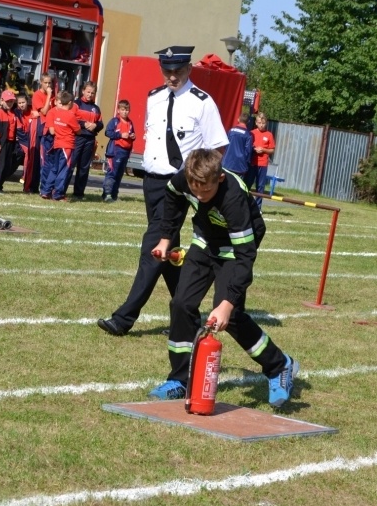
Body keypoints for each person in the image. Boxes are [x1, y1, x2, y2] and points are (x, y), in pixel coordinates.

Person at [149, 149, 298, 406]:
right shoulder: (186, 179)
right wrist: (165, 239)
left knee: (231, 317)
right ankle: (180, 379)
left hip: (235, 249)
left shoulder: (233, 198)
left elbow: (245, 257)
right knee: (181, 304)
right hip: (205, 241)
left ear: (218, 179)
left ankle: (279, 366)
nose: (198, 195)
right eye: (194, 189)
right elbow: (172, 199)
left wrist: (227, 303)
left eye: (205, 191)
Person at [97, 45, 228, 336]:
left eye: (177, 71)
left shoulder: (202, 102)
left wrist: (200, 181)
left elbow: (218, 146)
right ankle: (188, 315)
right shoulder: (154, 97)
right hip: (152, 180)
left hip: (179, 184)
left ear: (189, 69)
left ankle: (124, 318)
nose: (172, 76)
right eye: (166, 71)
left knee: (154, 248)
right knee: (168, 253)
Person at [41, 90, 80, 201]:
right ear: (70, 103)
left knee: (54, 168)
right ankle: (58, 194)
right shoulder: (70, 115)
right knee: (64, 169)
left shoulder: (56, 113)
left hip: (57, 144)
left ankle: (46, 191)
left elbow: (53, 130)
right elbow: (78, 130)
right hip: (67, 145)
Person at [69, 80, 103, 200]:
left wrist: (95, 126)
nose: (90, 95)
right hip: (77, 137)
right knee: (70, 164)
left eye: (92, 93)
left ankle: (79, 193)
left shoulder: (96, 108)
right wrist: (84, 124)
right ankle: (61, 190)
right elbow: (71, 118)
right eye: (88, 92)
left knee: (84, 167)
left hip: (89, 139)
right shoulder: (76, 104)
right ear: (83, 91)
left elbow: (101, 123)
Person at [102, 99, 135, 202]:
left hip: (125, 152)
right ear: (118, 110)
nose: (125, 112)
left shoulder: (130, 122)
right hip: (116, 150)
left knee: (119, 174)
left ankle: (114, 194)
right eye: (123, 109)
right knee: (112, 172)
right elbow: (108, 132)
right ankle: (107, 194)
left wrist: (132, 136)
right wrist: (120, 135)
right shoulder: (115, 121)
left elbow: (132, 134)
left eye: (127, 110)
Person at [245, 112, 275, 210]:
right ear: (256, 123)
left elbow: (272, 150)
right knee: (247, 184)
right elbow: (248, 146)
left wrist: (263, 150)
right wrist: (254, 149)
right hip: (252, 163)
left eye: (263, 123)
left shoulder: (269, 135)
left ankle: (258, 208)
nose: (261, 125)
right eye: (259, 123)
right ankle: (244, 205)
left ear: (266, 123)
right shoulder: (252, 133)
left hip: (263, 164)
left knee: (260, 187)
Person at [32, 73, 55, 196]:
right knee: (43, 161)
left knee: (51, 161)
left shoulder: (53, 96)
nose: (48, 85)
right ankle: (42, 187)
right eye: (45, 83)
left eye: (50, 83)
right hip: (43, 131)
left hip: (52, 130)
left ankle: (49, 187)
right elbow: (45, 111)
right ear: (41, 82)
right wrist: (49, 96)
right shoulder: (38, 95)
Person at [221, 112, 252, 178]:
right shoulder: (248, 135)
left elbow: (225, 145)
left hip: (227, 163)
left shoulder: (231, 131)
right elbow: (248, 151)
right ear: (248, 121)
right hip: (240, 166)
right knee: (237, 186)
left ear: (238, 119)